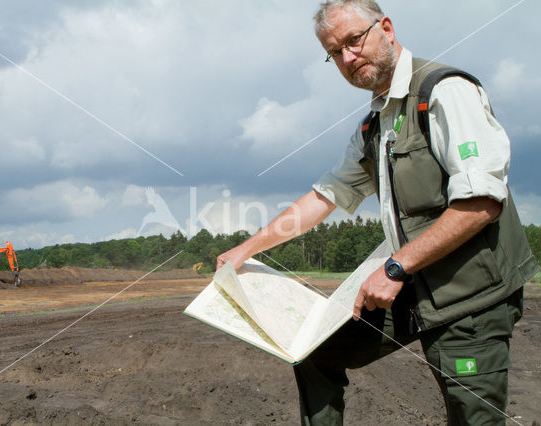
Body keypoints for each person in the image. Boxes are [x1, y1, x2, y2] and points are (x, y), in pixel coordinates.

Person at [216, 1, 539, 424]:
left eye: (354, 40)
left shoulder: (444, 92)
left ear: (385, 28)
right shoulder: (373, 125)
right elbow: (325, 196)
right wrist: (247, 249)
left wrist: (394, 268)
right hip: (413, 285)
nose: (348, 58)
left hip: (470, 296)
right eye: (335, 53)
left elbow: (480, 204)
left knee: (473, 419)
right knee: (312, 351)